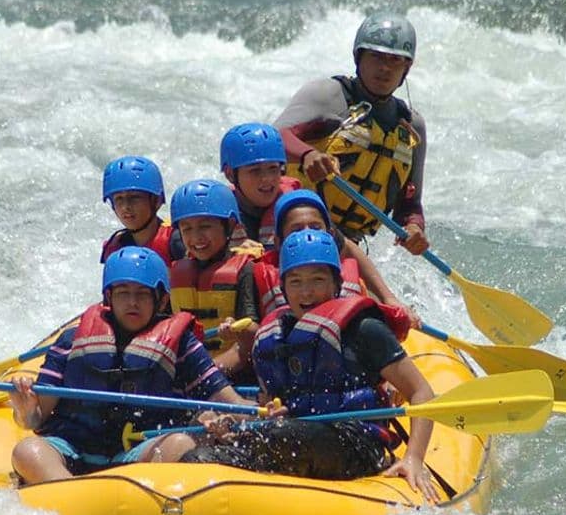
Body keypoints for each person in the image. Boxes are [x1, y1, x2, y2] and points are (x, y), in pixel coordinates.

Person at [176, 229, 440, 503]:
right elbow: (271, 409)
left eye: (317, 280)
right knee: (197, 458)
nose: (306, 291)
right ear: (283, 288)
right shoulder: (272, 338)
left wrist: (414, 458)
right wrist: (233, 424)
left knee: (282, 435)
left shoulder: (364, 329)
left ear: (335, 283)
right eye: (296, 281)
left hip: (356, 444)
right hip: (291, 438)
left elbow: (421, 392)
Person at [8, 247, 254, 484]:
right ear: (109, 297)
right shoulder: (70, 341)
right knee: (27, 450)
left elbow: (229, 401)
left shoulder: (182, 344)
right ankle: (67, 492)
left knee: (181, 443)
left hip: (140, 453)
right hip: (72, 450)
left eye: (142, 294)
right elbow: (34, 421)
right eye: (123, 293)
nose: (132, 302)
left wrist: (262, 411)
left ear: (161, 300)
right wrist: (26, 410)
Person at [274, 11, 430, 255]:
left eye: (395, 60)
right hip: (296, 231)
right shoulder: (328, 95)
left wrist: (413, 228)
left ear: (406, 68)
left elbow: (409, 204)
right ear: (359, 57)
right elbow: (270, 141)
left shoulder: (411, 127)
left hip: (348, 248)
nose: (385, 68)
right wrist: (306, 155)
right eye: (376, 56)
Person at [253, 189, 419, 327]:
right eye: (296, 230)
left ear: (330, 234)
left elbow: (348, 247)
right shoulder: (256, 274)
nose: (308, 234)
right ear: (278, 242)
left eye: (316, 228)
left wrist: (388, 298)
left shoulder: (334, 251)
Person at [167, 178, 262, 379]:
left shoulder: (245, 271)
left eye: (205, 226)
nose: (196, 237)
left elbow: (251, 337)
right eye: (187, 229)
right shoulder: (175, 273)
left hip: (234, 372)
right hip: (188, 372)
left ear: (229, 225)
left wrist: (238, 330)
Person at [219, 121, 303, 250]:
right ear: (230, 174)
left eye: (273, 168)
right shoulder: (215, 219)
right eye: (255, 171)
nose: (267, 179)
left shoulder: (301, 210)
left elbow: (344, 252)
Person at [98, 156, 173, 264]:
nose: (125, 207)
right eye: (119, 198)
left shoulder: (176, 241)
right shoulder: (116, 246)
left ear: (156, 201)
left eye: (134, 197)